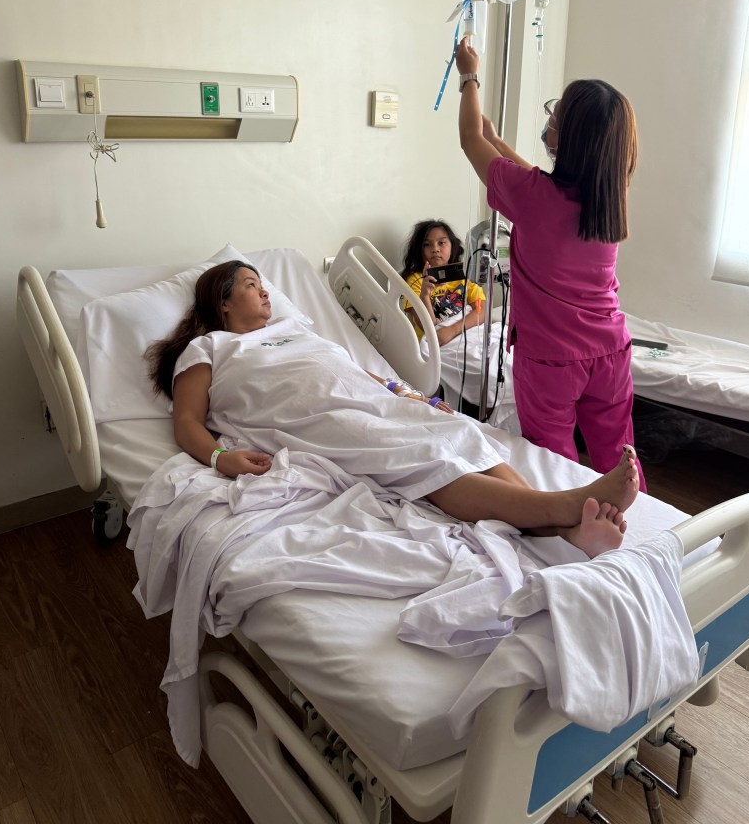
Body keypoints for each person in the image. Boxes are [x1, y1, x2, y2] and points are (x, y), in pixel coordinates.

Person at [146, 260, 641, 559]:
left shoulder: (294, 330)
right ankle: (563, 507)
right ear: (223, 302)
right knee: (421, 457)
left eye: (262, 283)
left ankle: (569, 530)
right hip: (316, 418)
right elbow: (186, 421)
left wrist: (409, 396)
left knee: (461, 434)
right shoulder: (208, 348)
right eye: (251, 285)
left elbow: (355, 371)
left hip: (372, 401)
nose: (265, 292)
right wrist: (220, 459)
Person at [454, 37, 647, 491]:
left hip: (552, 361)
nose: (548, 121)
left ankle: (569, 525)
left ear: (568, 139)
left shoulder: (532, 198)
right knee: (619, 457)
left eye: (554, 117)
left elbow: (468, 140)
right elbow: (535, 183)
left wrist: (469, 76)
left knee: (554, 461)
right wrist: (497, 141)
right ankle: (643, 520)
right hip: (610, 351)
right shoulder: (609, 195)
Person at [400, 219, 485, 346]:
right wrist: (425, 295)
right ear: (419, 250)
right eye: (427, 244)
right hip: (436, 344)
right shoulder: (415, 280)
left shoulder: (464, 274)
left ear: (452, 245)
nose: (435, 249)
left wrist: (452, 330)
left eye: (441, 243)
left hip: (465, 334)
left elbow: (482, 311)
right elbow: (427, 328)